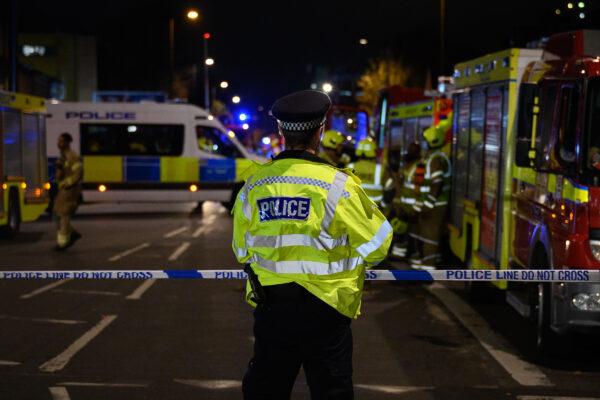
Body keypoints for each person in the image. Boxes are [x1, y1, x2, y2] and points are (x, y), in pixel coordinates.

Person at [232, 90, 392, 400]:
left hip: (273, 309)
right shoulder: (338, 185)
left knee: (266, 391)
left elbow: (242, 250)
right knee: (331, 392)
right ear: (319, 132)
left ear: (281, 132)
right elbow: (378, 246)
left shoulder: (254, 185)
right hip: (327, 312)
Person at [408, 121, 451, 270]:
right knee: (423, 236)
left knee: (430, 238)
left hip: (434, 207)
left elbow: (436, 184)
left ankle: (428, 270)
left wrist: (427, 204)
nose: (424, 144)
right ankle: (421, 268)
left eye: (426, 141)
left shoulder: (436, 160)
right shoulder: (432, 157)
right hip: (429, 205)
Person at [53, 133, 83, 251]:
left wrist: (67, 183)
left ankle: (63, 243)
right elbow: (59, 175)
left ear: (67, 142)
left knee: (64, 216)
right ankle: (73, 234)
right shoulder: (62, 156)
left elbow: (78, 174)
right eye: (58, 141)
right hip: (63, 191)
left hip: (70, 191)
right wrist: (59, 169)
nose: (58, 143)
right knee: (57, 214)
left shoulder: (72, 156)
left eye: (61, 141)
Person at [348, 137, 383, 204]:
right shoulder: (380, 169)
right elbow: (390, 189)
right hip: (375, 209)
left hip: (354, 207)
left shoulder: (350, 167)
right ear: (373, 152)